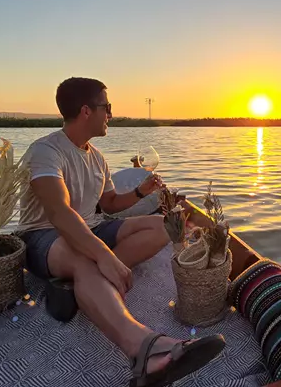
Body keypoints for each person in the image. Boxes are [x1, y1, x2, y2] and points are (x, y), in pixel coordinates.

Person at [16, 77, 225, 386]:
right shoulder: (46, 151)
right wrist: (103, 255)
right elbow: (59, 214)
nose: (111, 115)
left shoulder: (97, 158)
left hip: (93, 228)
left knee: (168, 225)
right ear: (87, 111)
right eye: (107, 107)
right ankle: (145, 350)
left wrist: (141, 193)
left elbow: (110, 204)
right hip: (43, 236)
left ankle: (87, 283)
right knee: (82, 258)